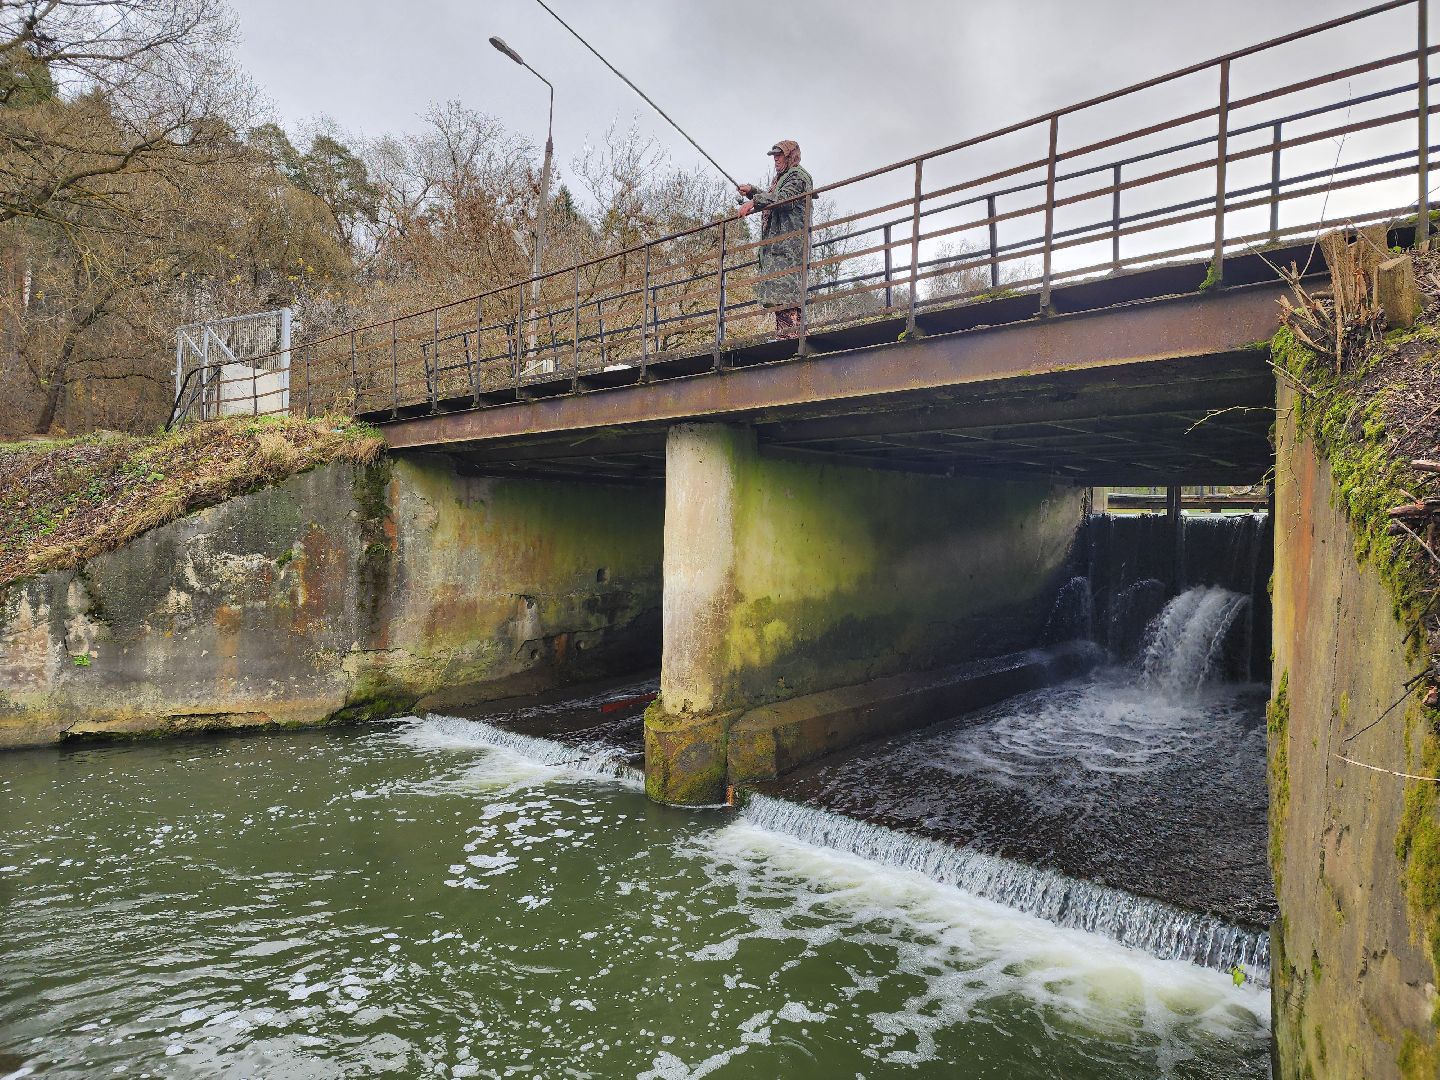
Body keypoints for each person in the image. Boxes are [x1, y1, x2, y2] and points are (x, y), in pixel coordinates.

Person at [737, 140, 813, 339]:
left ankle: (790, 339)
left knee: (787, 295)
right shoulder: (784, 178)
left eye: (779, 155)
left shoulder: (798, 176)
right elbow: (774, 197)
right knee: (783, 297)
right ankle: (792, 337)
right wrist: (753, 192)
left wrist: (754, 201)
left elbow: (783, 200)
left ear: (790, 156)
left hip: (790, 249)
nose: (775, 159)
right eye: (774, 156)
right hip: (781, 250)